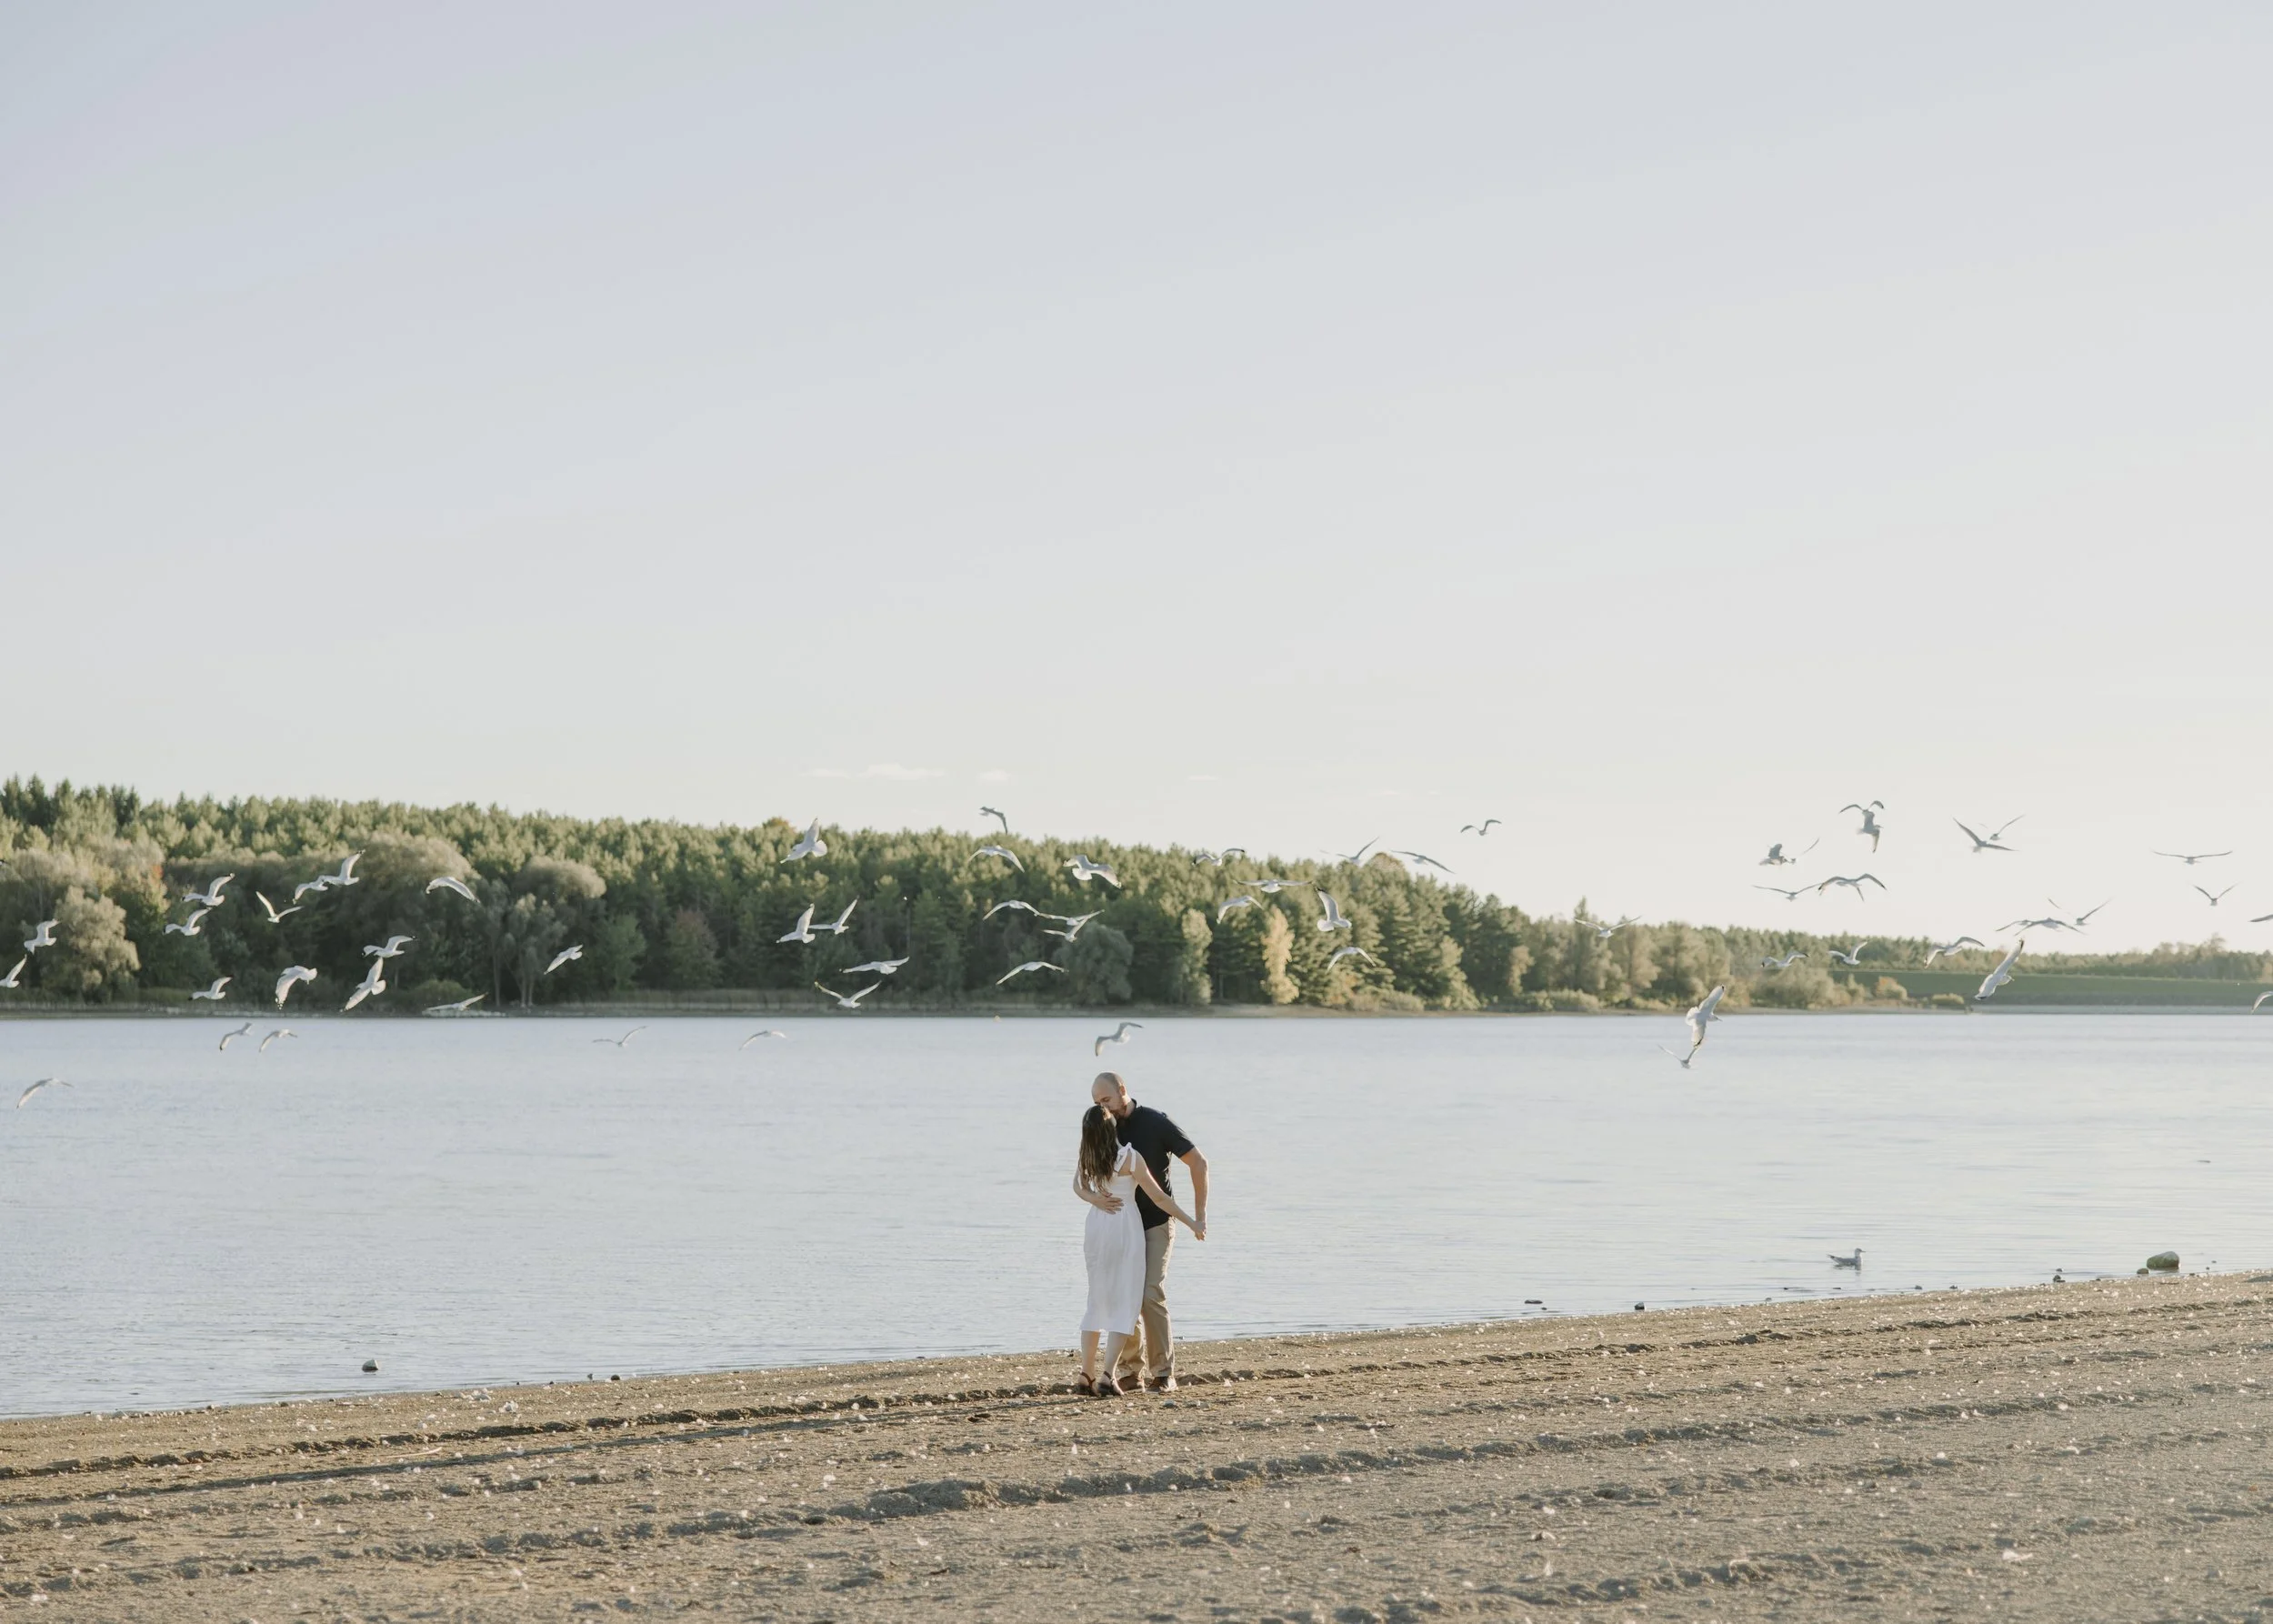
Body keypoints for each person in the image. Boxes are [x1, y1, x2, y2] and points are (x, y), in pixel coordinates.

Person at [1090, 1070, 1207, 1392]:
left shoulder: (1156, 1122)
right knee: (1122, 1293)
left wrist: (1200, 1215)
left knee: (1148, 1293)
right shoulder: (1102, 1127)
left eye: (1107, 1100)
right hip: (1120, 1226)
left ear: (1123, 1090)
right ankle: (1130, 1372)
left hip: (1156, 1221)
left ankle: (1164, 1372)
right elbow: (1084, 1173)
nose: (1104, 1107)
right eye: (1098, 1102)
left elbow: (1199, 1162)